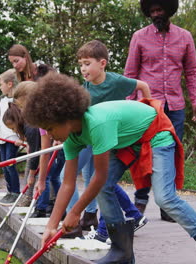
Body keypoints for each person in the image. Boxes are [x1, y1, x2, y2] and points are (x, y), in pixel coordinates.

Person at [23, 72, 196, 264]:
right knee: (105, 187)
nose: (49, 135)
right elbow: (68, 183)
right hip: (129, 141)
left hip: (156, 132)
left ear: (66, 117)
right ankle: (122, 253)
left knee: (165, 198)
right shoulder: (71, 139)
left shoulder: (97, 123)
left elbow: (99, 176)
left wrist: (75, 213)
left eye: (50, 128)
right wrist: (51, 226)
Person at [124, 0, 196, 222]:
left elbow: (192, 71)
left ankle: (167, 204)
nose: (156, 14)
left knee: (170, 155)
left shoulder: (185, 36)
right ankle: (140, 201)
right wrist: (128, 104)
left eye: (159, 10)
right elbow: (130, 74)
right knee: (144, 153)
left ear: (168, 10)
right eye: (152, 11)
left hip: (175, 106)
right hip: (147, 107)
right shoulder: (139, 37)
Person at [63, 40, 149, 241]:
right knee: (99, 182)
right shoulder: (85, 90)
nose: (83, 68)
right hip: (96, 140)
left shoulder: (116, 81)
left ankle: (105, 231)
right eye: (81, 64)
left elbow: (143, 86)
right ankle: (133, 215)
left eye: (87, 63)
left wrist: (145, 107)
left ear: (102, 63)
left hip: (117, 139)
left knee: (101, 182)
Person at [13, 81, 63, 216]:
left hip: (64, 147)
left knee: (48, 177)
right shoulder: (39, 118)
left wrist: (33, 175)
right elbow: (42, 150)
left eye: (22, 106)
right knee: (53, 177)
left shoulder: (42, 115)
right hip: (54, 149)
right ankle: (60, 209)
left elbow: (39, 152)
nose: (22, 111)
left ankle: (42, 208)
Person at [0, 69, 21, 206]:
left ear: (10, 84)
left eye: (1, 84)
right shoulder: (2, 99)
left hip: (13, 137)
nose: (0, 87)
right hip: (3, 137)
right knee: (4, 165)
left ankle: (15, 193)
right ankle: (9, 191)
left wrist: (21, 137)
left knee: (10, 165)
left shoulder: (16, 99)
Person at [2, 102, 40, 196]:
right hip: (41, 152)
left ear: (17, 121)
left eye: (13, 128)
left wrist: (31, 175)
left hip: (52, 152)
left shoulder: (30, 128)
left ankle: (43, 206)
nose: (13, 131)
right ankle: (30, 198)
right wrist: (25, 142)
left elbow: (35, 155)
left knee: (47, 178)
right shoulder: (27, 128)